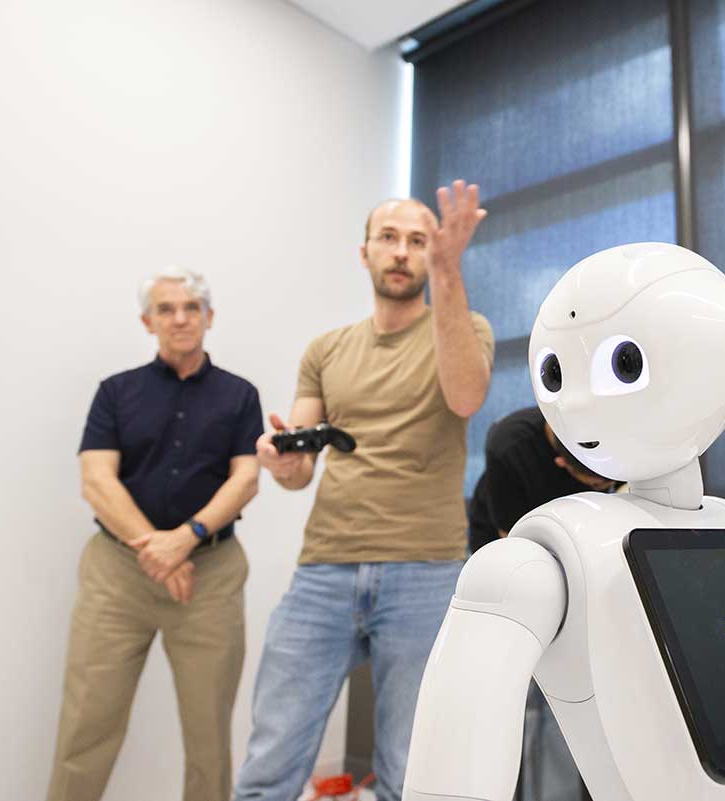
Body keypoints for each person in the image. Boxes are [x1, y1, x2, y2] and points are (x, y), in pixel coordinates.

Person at [232, 181, 495, 801]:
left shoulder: (464, 326)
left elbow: (466, 397)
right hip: (324, 566)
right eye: (389, 238)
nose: (402, 252)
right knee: (270, 763)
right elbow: (300, 468)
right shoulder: (326, 349)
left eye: (417, 241)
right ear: (365, 253)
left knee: (410, 769)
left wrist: (449, 273)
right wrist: (281, 458)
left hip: (425, 568)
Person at [47, 267, 263, 801]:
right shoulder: (115, 393)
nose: (180, 318)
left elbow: (247, 478)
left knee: (210, 734)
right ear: (148, 321)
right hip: (118, 576)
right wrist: (159, 547)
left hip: (209, 577)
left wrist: (185, 538)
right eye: (166, 309)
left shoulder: (240, 396)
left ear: (209, 317)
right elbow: (96, 479)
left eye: (192, 307)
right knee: (86, 724)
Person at [467, 405, 620, 801]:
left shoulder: (616, 433)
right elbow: (514, 550)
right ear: (560, 464)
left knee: (585, 706)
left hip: (585, 563)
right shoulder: (509, 445)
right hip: (513, 557)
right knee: (524, 697)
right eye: (597, 483)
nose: (604, 488)